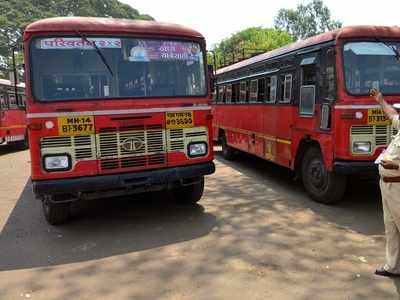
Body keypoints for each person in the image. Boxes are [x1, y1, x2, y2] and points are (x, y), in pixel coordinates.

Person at [370, 88, 400, 277]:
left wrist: (393, 164)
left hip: (398, 186)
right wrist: (380, 100)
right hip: (386, 185)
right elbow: (391, 114)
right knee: (391, 228)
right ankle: (393, 266)